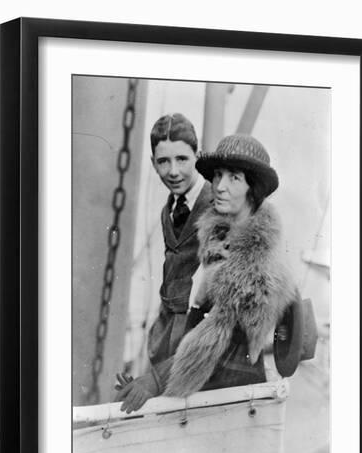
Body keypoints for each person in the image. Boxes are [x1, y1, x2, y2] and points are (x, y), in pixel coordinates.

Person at [117, 133, 298, 410]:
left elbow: (216, 344)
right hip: (212, 386)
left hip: (236, 399)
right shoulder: (220, 238)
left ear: (253, 189)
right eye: (218, 176)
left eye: (234, 178)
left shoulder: (255, 266)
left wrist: (154, 381)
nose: (219, 187)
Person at [115, 113, 212, 412]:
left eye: (182, 159)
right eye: (163, 161)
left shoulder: (216, 206)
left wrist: (155, 380)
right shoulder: (167, 211)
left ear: (197, 156)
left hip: (197, 355)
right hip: (166, 346)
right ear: (153, 162)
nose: (173, 171)